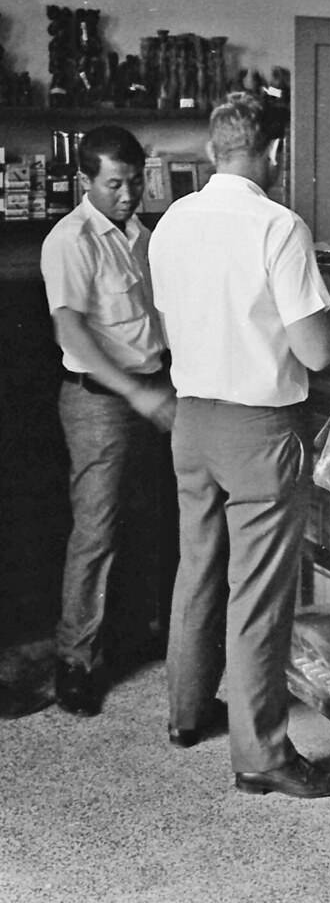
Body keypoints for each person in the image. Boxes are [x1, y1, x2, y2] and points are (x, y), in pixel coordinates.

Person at [148, 91, 330, 799]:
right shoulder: (278, 225)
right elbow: (317, 350)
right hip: (258, 426)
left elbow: (169, 325)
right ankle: (261, 755)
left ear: (210, 150)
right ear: (276, 152)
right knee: (258, 594)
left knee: (197, 566)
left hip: (192, 417)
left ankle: (185, 711)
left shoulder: (171, 219)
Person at [40, 125, 175, 717]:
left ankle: (145, 630)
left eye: (137, 181)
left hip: (152, 386)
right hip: (100, 398)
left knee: (154, 517)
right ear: (85, 181)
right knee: (96, 531)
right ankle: (75, 660)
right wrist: (136, 395)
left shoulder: (143, 235)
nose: (129, 194)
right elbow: (70, 331)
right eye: (115, 183)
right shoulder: (69, 240)